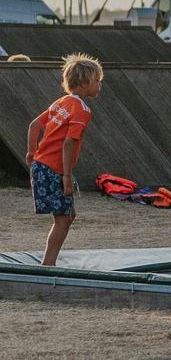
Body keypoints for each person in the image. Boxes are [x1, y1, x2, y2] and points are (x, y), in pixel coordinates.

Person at [23, 54, 102, 266]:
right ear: (84, 83)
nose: (99, 85)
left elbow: (34, 126)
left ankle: (48, 262)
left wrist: (31, 152)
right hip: (54, 169)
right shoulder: (82, 110)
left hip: (41, 166)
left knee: (67, 215)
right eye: (97, 80)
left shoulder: (61, 102)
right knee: (64, 219)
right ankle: (48, 264)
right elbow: (69, 143)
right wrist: (66, 176)